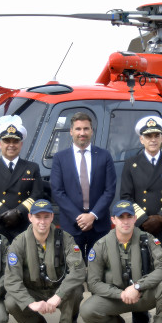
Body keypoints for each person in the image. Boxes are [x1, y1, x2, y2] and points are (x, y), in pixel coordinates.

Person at [79, 201, 162, 323]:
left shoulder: (148, 240)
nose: (125, 221)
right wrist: (121, 294)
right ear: (113, 220)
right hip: (116, 298)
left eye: (129, 217)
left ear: (134, 219)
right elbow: (93, 283)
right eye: (121, 217)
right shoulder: (100, 246)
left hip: (144, 295)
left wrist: (138, 287)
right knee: (87, 310)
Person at [120, 115, 162, 323]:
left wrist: (161, 219)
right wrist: (145, 220)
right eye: (148, 136)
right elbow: (126, 197)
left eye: (156, 135)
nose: (153, 139)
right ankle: (139, 319)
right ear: (141, 139)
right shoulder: (131, 164)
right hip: (141, 229)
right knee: (140, 273)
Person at [4, 199, 86, 323]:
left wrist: (58, 296)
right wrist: (30, 303)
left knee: (77, 290)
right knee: (11, 301)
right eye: (38, 217)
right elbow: (11, 280)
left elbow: (78, 270)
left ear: (52, 217)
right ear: (30, 218)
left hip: (57, 288)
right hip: (33, 289)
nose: (42, 221)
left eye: (46, 217)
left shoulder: (65, 239)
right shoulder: (18, 243)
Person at [50, 111, 117, 261]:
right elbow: (58, 191)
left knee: (99, 269)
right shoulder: (60, 158)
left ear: (92, 131)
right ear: (71, 131)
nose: (82, 133)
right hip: (72, 226)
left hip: (99, 224)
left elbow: (109, 190)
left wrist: (92, 215)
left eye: (86, 129)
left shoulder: (104, 156)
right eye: (78, 129)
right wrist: (78, 218)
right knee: (73, 271)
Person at [0, 116, 44, 241]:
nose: (11, 145)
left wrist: (18, 212)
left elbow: (37, 194)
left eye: (15, 141)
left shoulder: (32, 167)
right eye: (7, 141)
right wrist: (4, 214)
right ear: (0, 144)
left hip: (23, 224)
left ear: (21, 144)